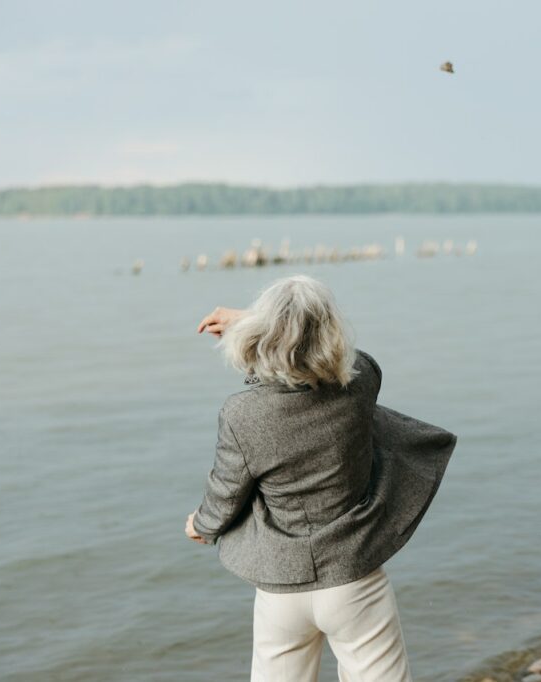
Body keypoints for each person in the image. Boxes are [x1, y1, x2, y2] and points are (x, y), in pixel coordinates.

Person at [184, 274, 456, 682]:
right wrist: (277, 322)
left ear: (263, 334)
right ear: (331, 331)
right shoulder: (360, 382)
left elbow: (225, 492)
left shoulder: (242, 414)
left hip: (280, 586)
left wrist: (201, 526)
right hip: (353, 577)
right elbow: (351, 358)